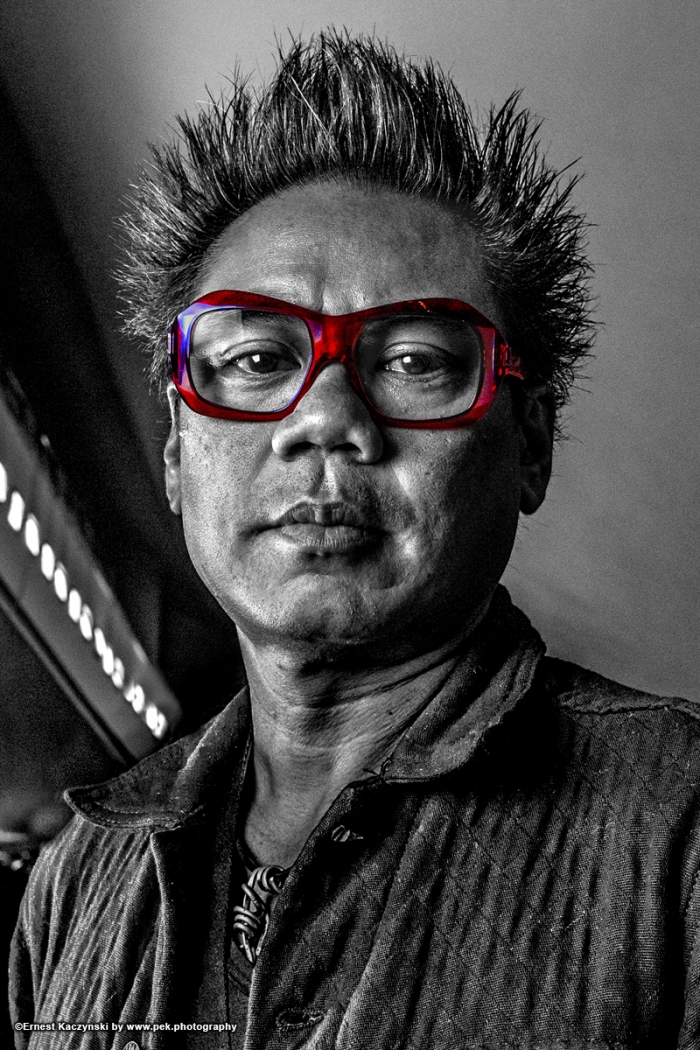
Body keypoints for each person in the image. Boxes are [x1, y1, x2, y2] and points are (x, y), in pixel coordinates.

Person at [9, 31, 700, 1049]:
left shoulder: (680, 829)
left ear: (530, 447)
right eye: (255, 358)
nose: (325, 418)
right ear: (177, 456)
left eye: (415, 361)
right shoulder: (72, 885)